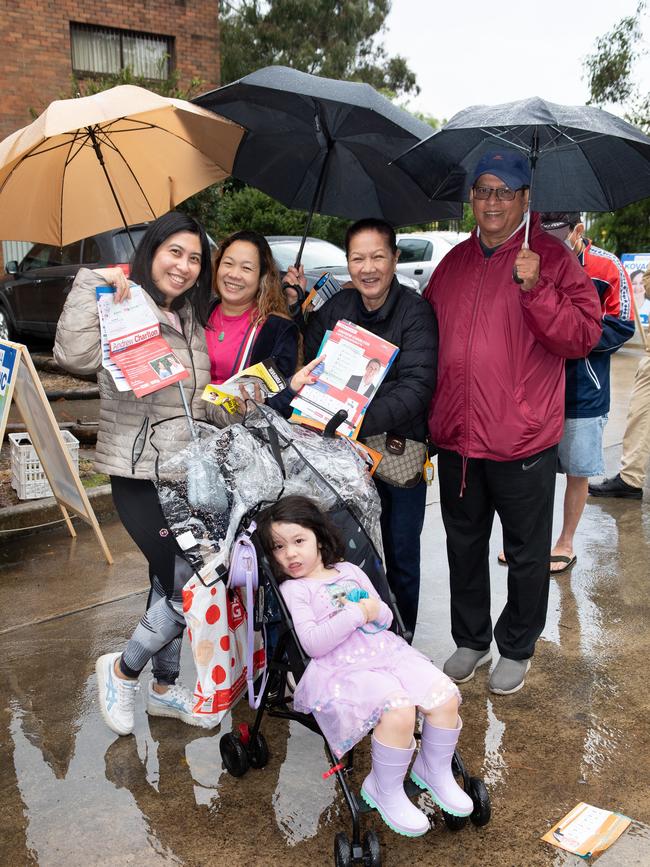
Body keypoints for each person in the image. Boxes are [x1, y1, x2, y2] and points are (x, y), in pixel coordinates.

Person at [425, 150, 602, 695]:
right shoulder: (453, 263)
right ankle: (471, 638)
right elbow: (422, 334)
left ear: (527, 199)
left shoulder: (551, 258)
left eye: (505, 191)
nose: (493, 201)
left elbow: (583, 335)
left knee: (527, 553)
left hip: (522, 439)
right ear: (472, 199)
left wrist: (538, 288)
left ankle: (518, 644)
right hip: (458, 438)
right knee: (463, 546)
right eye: (483, 190)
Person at [54, 211, 216, 735]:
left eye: (194, 258)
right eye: (175, 252)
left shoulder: (189, 317)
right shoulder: (121, 301)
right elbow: (72, 355)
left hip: (184, 474)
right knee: (187, 581)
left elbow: (193, 399)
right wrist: (92, 284)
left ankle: (164, 690)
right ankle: (123, 669)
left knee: (164, 579)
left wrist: (235, 400)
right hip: (137, 471)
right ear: (152, 251)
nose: (185, 266)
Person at [256, 495, 472, 837]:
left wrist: (373, 609)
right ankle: (384, 789)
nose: (291, 554)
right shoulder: (295, 590)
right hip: (340, 669)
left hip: (386, 652)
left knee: (445, 696)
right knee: (398, 708)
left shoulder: (351, 571)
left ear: (319, 538)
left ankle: (435, 769)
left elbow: (384, 618)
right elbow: (313, 642)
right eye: (279, 547)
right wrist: (357, 613)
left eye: (299, 541)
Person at [289, 219, 437, 638]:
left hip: (397, 451)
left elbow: (417, 387)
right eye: (358, 258)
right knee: (344, 547)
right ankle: (353, 634)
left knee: (401, 550)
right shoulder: (335, 311)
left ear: (394, 258)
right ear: (347, 262)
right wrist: (294, 302)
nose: (367, 268)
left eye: (377, 257)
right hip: (337, 452)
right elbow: (310, 372)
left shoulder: (416, 312)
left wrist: (353, 419)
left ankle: (401, 634)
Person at [498, 212, 635, 571]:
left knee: (577, 469)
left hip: (582, 390)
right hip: (532, 387)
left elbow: (621, 327)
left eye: (560, 238)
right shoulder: (527, 259)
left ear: (578, 231)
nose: (553, 245)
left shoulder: (607, 267)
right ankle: (527, 540)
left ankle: (565, 541)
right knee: (529, 470)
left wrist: (569, 337)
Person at [207, 230, 299, 394]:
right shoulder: (199, 312)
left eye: (246, 268)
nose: (234, 274)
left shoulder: (277, 331)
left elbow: (283, 396)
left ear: (262, 277)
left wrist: (260, 402)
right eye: (228, 263)